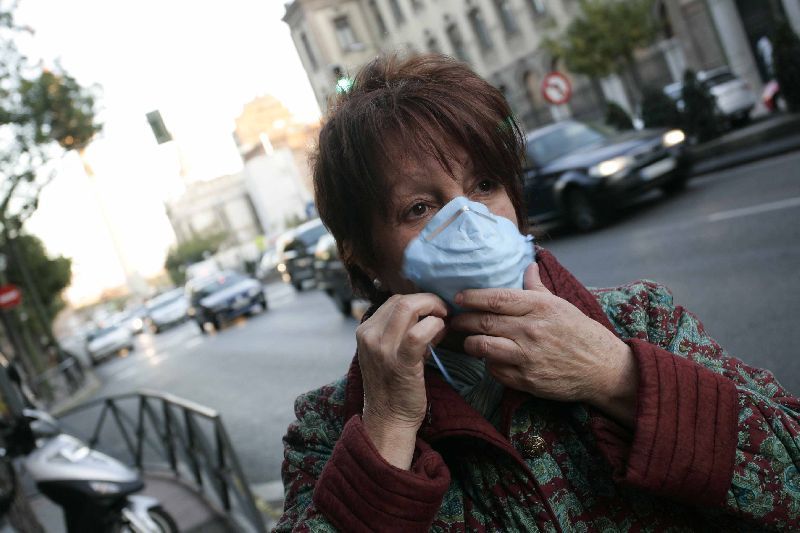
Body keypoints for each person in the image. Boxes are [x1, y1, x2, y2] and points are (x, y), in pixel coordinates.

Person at [275, 54, 800, 531]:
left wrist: (617, 376)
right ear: (365, 256)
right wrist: (387, 430)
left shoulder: (641, 322)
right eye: (419, 207)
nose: (471, 219)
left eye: (484, 185)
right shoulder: (327, 428)